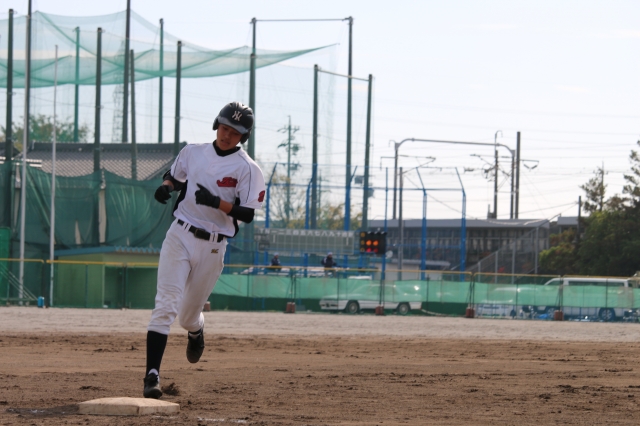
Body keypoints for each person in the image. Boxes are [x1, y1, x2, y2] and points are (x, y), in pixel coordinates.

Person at [143, 101, 265, 399]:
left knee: (186, 317)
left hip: (213, 245)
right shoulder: (193, 151)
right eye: (224, 128)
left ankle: (196, 331)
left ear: (243, 136)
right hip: (180, 235)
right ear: (216, 125)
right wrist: (166, 186)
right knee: (165, 306)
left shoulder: (248, 168)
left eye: (235, 132)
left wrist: (217, 203)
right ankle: (151, 376)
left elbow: (248, 214)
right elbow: (175, 176)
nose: (227, 135)